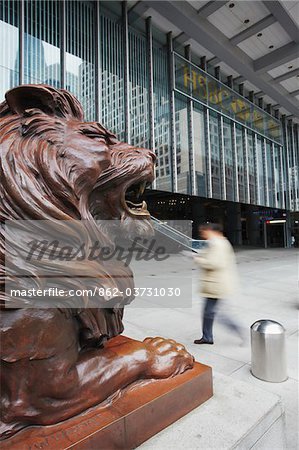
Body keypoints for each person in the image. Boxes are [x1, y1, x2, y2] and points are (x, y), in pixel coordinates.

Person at [193, 222, 242, 345]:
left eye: (204, 232)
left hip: (216, 285)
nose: (202, 234)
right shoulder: (216, 242)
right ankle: (207, 336)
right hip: (215, 284)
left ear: (211, 230)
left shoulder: (218, 244)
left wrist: (198, 259)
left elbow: (214, 263)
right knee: (209, 313)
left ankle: (238, 331)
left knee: (215, 314)